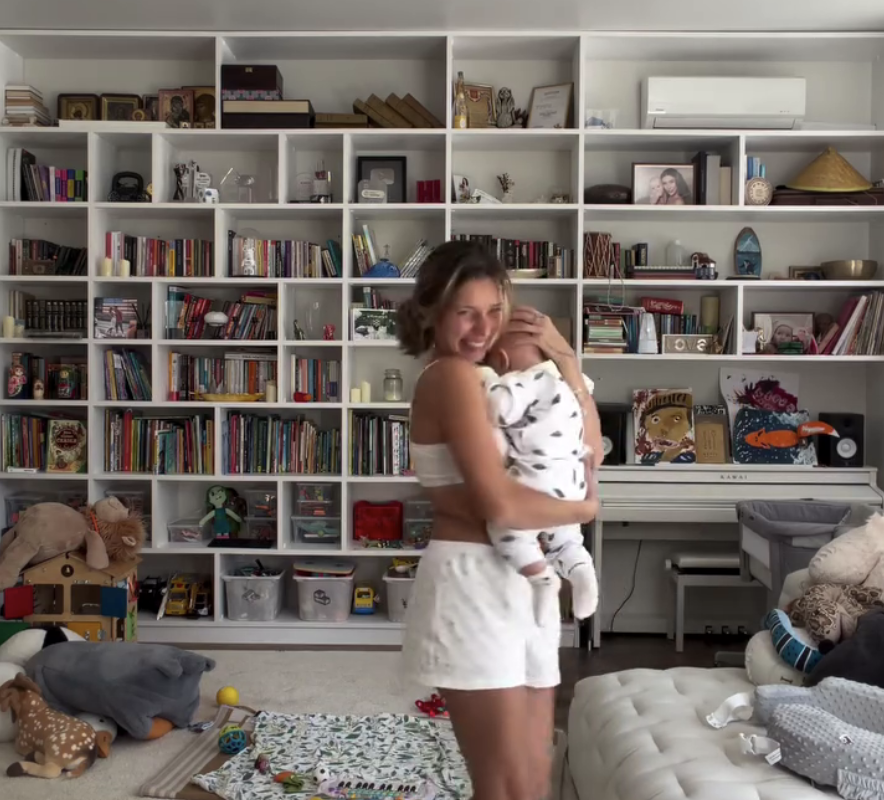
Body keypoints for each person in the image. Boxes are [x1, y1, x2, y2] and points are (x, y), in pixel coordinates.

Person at [398, 240, 603, 800]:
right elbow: (501, 505)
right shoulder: (450, 377)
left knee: (534, 777)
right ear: (432, 312)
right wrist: (584, 510)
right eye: (466, 312)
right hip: (473, 586)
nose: (483, 328)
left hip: (524, 583)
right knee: (505, 785)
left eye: (494, 311)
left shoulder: (495, 376)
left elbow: (586, 445)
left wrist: (566, 361)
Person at [479, 331, 599, 623]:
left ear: (503, 360)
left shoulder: (528, 382)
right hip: (572, 484)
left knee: (507, 532)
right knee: (567, 542)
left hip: (537, 482)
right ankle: (582, 572)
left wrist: (485, 378)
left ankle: (541, 578)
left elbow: (497, 408)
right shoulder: (571, 387)